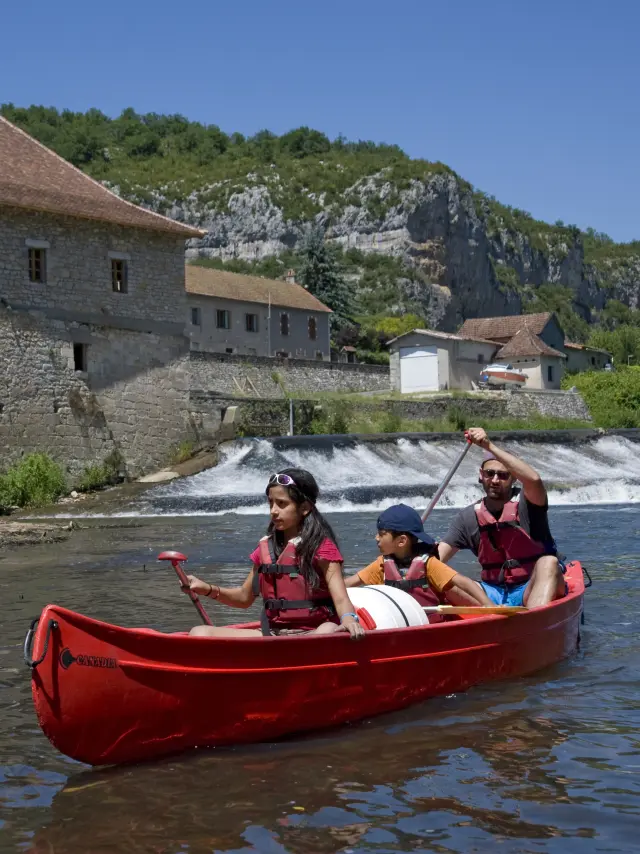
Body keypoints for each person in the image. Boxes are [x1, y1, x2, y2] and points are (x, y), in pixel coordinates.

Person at [184, 468, 365, 640]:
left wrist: (349, 619)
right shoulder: (266, 550)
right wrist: (206, 588)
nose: (273, 511)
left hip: (313, 634)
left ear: (305, 508)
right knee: (199, 633)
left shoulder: (322, 548)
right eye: (271, 503)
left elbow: (341, 599)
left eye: (282, 504)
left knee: (327, 630)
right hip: (272, 635)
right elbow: (243, 598)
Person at [438, 428, 566, 608]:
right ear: (481, 475)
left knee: (549, 563)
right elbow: (438, 557)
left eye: (503, 475)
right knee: (439, 575)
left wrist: (488, 446)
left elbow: (534, 480)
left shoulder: (529, 503)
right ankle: (490, 619)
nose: (495, 480)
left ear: (514, 478)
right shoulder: (468, 517)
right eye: (490, 474)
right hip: (492, 593)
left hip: (532, 586)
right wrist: (414, 564)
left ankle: (533, 623)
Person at [345, 503, 491, 620]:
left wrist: (488, 605)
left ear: (402, 541)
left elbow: (463, 582)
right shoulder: (381, 564)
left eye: (382, 534)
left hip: (430, 625)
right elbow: (347, 584)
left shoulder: (429, 564)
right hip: (399, 624)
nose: (377, 538)